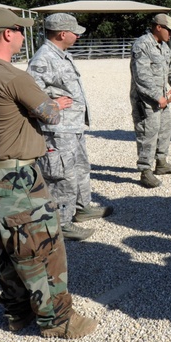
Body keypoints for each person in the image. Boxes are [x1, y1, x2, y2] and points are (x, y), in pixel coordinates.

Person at [0, 7, 97, 338]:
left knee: (6, 251)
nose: (24, 36)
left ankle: (17, 312)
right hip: (15, 178)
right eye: (19, 30)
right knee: (43, 248)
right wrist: (59, 104)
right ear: (7, 34)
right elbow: (49, 114)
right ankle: (58, 320)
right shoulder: (12, 75)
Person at [27, 13, 112, 241]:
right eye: (75, 32)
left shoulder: (62, 56)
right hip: (57, 131)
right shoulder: (42, 59)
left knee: (81, 168)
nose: (77, 35)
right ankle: (61, 223)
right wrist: (53, 104)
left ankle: (82, 209)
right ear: (62, 34)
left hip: (72, 127)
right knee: (61, 176)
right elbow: (30, 97)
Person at [130, 13, 171, 188]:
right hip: (146, 100)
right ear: (158, 27)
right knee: (148, 134)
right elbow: (142, 77)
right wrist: (157, 96)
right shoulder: (142, 45)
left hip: (162, 99)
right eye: (168, 29)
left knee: (164, 130)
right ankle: (145, 171)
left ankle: (161, 163)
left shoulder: (164, 46)